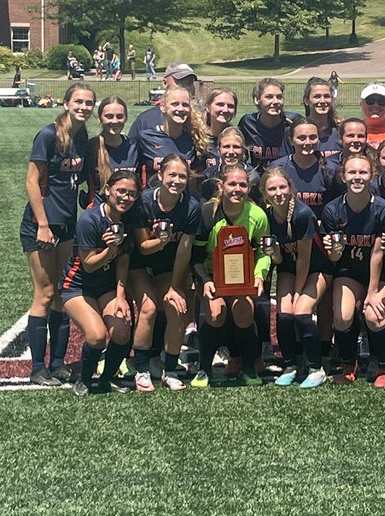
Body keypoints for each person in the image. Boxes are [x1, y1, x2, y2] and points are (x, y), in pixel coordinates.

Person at [20, 82, 97, 387]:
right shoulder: (49, 134)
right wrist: (42, 223)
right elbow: (31, 181)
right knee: (45, 293)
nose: (83, 107)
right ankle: (38, 368)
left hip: (66, 225)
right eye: (78, 101)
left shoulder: (81, 137)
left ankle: (58, 363)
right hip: (41, 225)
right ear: (66, 103)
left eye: (89, 103)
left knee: (63, 297)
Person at [60, 169, 138, 397]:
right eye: (121, 191)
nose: (126, 197)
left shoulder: (129, 220)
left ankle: (106, 379)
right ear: (108, 190)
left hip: (106, 287)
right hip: (77, 286)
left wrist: (121, 297)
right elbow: (89, 265)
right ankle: (85, 380)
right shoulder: (89, 220)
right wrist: (110, 249)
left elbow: (124, 261)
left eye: (132, 194)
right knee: (96, 336)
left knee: (122, 331)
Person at [322, 154, 385, 387]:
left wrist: (372, 292)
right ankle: (348, 363)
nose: (357, 177)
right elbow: (334, 258)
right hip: (349, 271)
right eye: (352, 173)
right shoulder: (333, 210)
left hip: (382, 273)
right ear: (343, 176)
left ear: (372, 175)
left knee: (374, 315)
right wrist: (335, 250)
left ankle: (383, 366)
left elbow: (378, 254)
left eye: (363, 172)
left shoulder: (383, 209)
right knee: (342, 316)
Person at [128, 153, 201, 392]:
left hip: (167, 268)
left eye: (182, 176)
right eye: (172, 175)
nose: (177, 180)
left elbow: (184, 250)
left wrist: (175, 287)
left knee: (177, 307)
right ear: (160, 175)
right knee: (148, 309)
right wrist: (161, 242)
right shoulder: (143, 202)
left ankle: (169, 370)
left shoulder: (191, 207)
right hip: (139, 265)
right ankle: (141, 369)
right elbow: (142, 247)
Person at [196, 165, 271, 386]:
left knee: (243, 310)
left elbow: (263, 253)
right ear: (221, 186)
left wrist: (259, 276)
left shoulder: (257, 215)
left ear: (249, 188)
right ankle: (203, 369)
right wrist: (206, 280)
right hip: (211, 275)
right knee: (216, 313)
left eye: (242, 185)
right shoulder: (208, 212)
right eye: (232, 184)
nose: (237, 189)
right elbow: (196, 255)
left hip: (243, 277)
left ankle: (248, 368)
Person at [260, 166, 328, 388]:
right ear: (264, 193)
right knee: (284, 314)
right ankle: (290, 365)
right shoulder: (268, 216)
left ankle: (316, 368)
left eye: (282, 187)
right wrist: (276, 254)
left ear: (290, 188)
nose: (278, 192)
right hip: (288, 268)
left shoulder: (303, 214)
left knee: (301, 311)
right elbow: (280, 261)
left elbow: (305, 259)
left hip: (317, 268)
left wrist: (298, 292)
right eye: (272, 188)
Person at [132, 85, 209, 190]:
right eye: (175, 104)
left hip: (182, 202)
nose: (180, 109)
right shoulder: (145, 138)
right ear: (163, 107)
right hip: (153, 202)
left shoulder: (194, 140)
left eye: (185, 105)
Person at [274, 116, 341, 221]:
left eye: (313, 137)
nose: (308, 142)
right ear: (291, 140)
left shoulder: (331, 169)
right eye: (302, 138)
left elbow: (337, 207)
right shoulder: (278, 168)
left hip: (321, 232)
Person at [83, 95, 141, 206]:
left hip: (131, 215)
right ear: (100, 118)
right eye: (109, 116)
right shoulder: (91, 148)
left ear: (126, 118)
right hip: (100, 215)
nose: (115, 121)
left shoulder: (135, 146)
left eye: (119, 116)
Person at [237, 78, 298, 172]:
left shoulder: (294, 122)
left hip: (288, 180)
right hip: (260, 180)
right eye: (269, 97)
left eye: (279, 97)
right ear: (257, 100)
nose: (275, 101)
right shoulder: (248, 123)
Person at [129, 62, 199, 136]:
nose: (185, 88)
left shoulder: (202, 120)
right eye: (180, 82)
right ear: (165, 83)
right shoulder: (146, 120)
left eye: (189, 82)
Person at [302, 77, 342, 161]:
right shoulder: (298, 131)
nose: (323, 101)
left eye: (327, 96)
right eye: (317, 97)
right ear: (306, 101)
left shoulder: (341, 130)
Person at [202, 87, 239, 167]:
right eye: (220, 104)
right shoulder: (197, 137)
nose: (225, 110)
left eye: (230, 106)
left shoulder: (237, 139)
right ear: (208, 108)